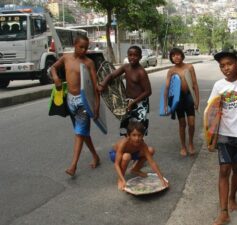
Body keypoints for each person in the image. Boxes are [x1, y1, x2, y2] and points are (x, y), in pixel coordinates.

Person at [208, 49, 237, 225]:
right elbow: (211, 111)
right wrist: (211, 137)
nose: (225, 68)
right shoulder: (218, 85)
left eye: (229, 64)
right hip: (225, 134)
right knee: (224, 170)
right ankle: (223, 213)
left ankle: (233, 197)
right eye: (222, 66)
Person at [50, 35, 101, 177]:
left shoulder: (89, 63)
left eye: (86, 47)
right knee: (82, 132)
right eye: (81, 47)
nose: (84, 50)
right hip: (70, 100)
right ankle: (95, 156)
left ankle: (73, 166)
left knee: (79, 133)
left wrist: (96, 106)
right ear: (75, 45)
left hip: (83, 102)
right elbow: (53, 68)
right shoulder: (66, 58)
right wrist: (55, 77)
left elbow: (95, 87)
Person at [98, 46, 152, 136]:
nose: (132, 57)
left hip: (140, 104)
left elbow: (148, 91)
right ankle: (129, 148)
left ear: (140, 57)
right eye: (130, 55)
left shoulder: (141, 72)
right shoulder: (126, 67)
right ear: (127, 56)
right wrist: (103, 83)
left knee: (138, 131)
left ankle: (140, 149)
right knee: (127, 129)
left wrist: (133, 102)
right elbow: (112, 75)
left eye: (135, 55)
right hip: (127, 101)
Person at [112, 121, 168, 191]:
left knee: (150, 150)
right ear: (128, 135)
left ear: (143, 135)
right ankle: (120, 179)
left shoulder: (142, 144)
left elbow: (152, 162)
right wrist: (123, 180)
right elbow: (116, 164)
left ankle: (135, 169)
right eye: (134, 135)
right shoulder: (124, 143)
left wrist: (161, 179)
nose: (137, 138)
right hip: (115, 154)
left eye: (139, 135)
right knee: (126, 156)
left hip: (132, 153)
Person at [164, 48, 200, 156]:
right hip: (177, 99)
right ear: (171, 58)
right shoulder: (171, 71)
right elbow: (166, 88)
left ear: (182, 56)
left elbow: (195, 85)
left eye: (178, 55)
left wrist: (196, 100)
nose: (176, 57)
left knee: (192, 124)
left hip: (189, 97)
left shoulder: (189, 67)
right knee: (182, 124)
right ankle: (183, 146)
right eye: (173, 55)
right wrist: (165, 104)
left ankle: (191, 143)